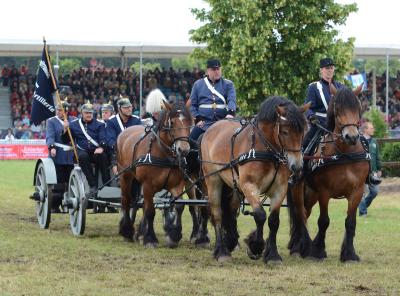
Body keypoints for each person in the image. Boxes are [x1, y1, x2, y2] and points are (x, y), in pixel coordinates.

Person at [62, 101, 110, 194]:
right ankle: (92, 185)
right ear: (82, 113)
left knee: (103, 157)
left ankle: (106, 185)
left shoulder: (100, 124)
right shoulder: (73, 124)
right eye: (86, 113)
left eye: (90, 113)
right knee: (83, 157)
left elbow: (103, 138)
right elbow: (66, 140)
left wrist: (101, 147)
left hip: (96, 151)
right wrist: (65, 129)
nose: (89, 115)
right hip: (82, 151)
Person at [189, 58, 237, 143]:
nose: (217, 71)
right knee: (191, 142)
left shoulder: (228, 84)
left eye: (218, 69)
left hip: (223, 122)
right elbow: (193, 105)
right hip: (204, 124)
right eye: (214, 69)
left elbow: (231, 100)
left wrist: (230, 113)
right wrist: (197, 119)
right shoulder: (198, 85)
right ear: (208, 71)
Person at [303, 57, 344, 154]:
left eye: (331, 68)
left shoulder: (341, 86)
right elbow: (307, 106)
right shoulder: (314, 87)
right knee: (306, 145)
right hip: (320, 124)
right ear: (321, 70)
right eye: (327, 68)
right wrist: (311, 116)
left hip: (338, 125)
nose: (329, 70)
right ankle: (302, 163)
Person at [46, 100, 76, 212]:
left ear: (67, 111)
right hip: (58, 155)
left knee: (70, 181)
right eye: (58, 110)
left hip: (71, 156)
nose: (59, 112)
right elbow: (49, 136)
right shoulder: (51, 121)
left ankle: (69, 203)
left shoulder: (73, 120)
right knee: (59, 182)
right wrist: (51, 147)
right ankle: (55, 205)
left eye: (62, 110)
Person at [106, 97, 142, 175]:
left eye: (130, 107)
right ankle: (118, 176)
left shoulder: (137, 120)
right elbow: (110, 140)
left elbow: (141, 137)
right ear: (119, 109)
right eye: (126, 108)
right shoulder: (112, 121)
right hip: (118, 150)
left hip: (134, 149)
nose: (129, 109)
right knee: (114, 153)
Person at [358, 121, 382, 216]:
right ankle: (363, 212)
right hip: (360, 171)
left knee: (375, 191)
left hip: (373, 172)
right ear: (365, 130)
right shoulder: (358, 140)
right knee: (361, 192)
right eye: (371, 128)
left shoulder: (374, 141)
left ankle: (362, 206)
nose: (373, 130)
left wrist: (379, 169)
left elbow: (377, 156)